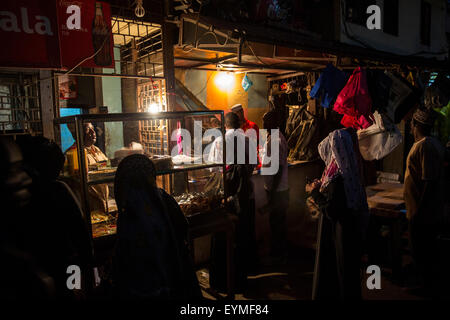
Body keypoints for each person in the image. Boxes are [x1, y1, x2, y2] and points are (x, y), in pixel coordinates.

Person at [15, 136, 95, 299]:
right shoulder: (59, 190)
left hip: (47, 269)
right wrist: (89, 272)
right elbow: (80, 236)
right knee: (73, 294)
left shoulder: (23, 194)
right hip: (67, 264)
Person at [113, 154, 201, 300]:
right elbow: (183, 225)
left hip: (141, 284)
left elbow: (122, 250)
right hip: (171, 273)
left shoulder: (128, 208)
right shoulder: (162, 197)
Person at [306, 128, 369, 300]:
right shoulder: (350, 171)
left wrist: (315, 193)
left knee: (340, 275)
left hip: (338, 235)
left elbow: (331, 210)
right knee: (348, 275)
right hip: (350, 231)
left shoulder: (337, 177)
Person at [208, 112, 258, 292]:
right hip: (244, 195)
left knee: (223, 237)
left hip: (226, 195)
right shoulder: (248, 141)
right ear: (239, 124)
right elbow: (253, 166)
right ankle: (240, 279)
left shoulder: (219, 141)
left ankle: (222, 281)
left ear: (226, 125)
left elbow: (213, 168)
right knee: (241, 236)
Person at [404, 107, 446, 296]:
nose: (411, 127)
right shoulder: (430, 143)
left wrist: (419, 212)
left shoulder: (425, 146)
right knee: (424, 250)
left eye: (412, 124)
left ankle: (428, 288)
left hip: (423, 213)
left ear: (416, 125)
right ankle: (427, 285)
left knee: (422, 252)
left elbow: (429, 181)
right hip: (423, 210)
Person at [260, 110, 289, 264]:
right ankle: (279, 254)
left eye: (266, 121)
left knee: (277, 223)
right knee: (277, 222)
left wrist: (272, 191)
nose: (263, 124)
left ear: (273, 122)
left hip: (278, 190)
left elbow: (277, 168)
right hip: (277, 189)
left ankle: (278, 256)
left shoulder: (276, 139)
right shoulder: (273, 138)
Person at [65, 122, 110, 214]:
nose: (93, 132)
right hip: (88, 203)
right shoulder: (74, 152)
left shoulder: (96, 150)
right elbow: (77, 180)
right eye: (88, 130)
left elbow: (106, 166)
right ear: (79, 133)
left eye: (93, 129)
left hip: (102, 199)